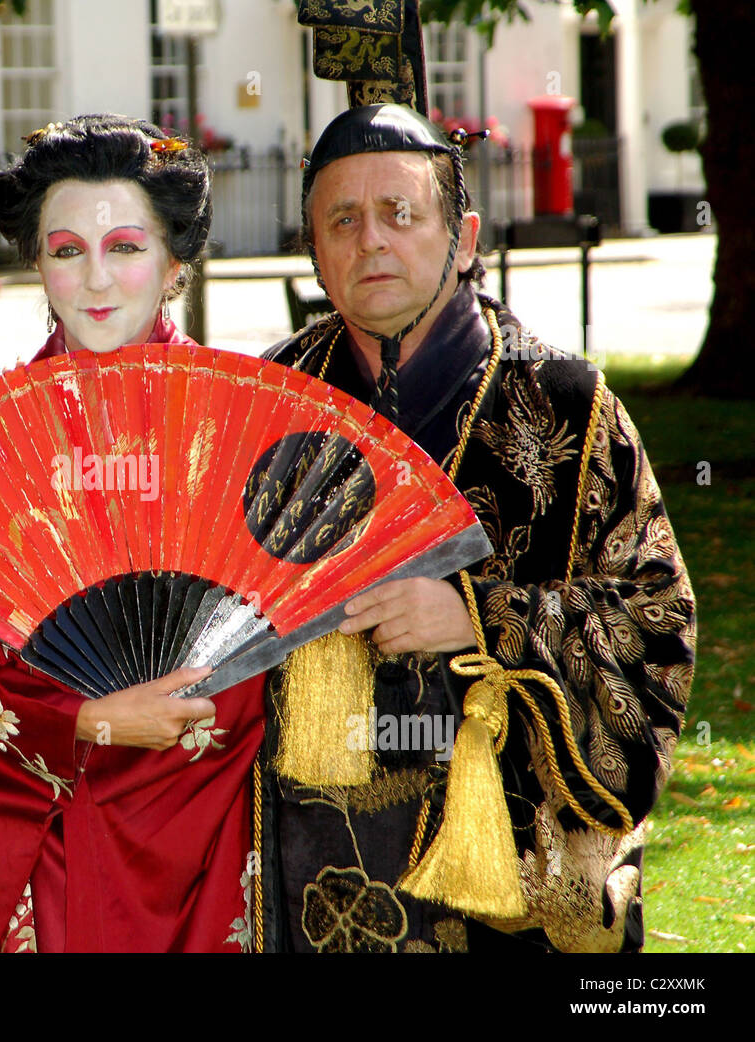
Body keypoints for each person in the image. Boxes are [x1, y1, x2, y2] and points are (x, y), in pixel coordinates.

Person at [256, 103, 695, 953]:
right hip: (319, 866)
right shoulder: (272, 401)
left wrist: (483, 616)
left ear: (463, 239)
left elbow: (658, 619)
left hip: (514, 868)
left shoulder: (567, 402)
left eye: (399, 213)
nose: (370, 241)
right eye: (341, 220)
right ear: (313, 249)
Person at [0, 115, 266, 952]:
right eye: (68, 250)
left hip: (211, 810)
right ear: (37, 263)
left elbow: (283, 626)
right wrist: (88, 717)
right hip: (44, 817)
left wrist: (185, 711)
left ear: (176, 261)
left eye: (128, 246)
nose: (97, 279)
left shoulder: (245, 429)